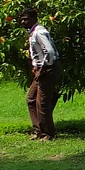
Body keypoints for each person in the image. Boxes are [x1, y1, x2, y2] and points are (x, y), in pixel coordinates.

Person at [21, 9, 60, 141]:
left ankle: (49, 134)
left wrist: (42, 69)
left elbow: (49, 52)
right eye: (22, 19)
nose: (23, 22)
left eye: (25, 19)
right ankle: (39, 130)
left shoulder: (40, 32)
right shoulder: (33, 32)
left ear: (33, 18)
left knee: (42, 103)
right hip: (41, 69)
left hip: (48, 69)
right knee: (31, 99)